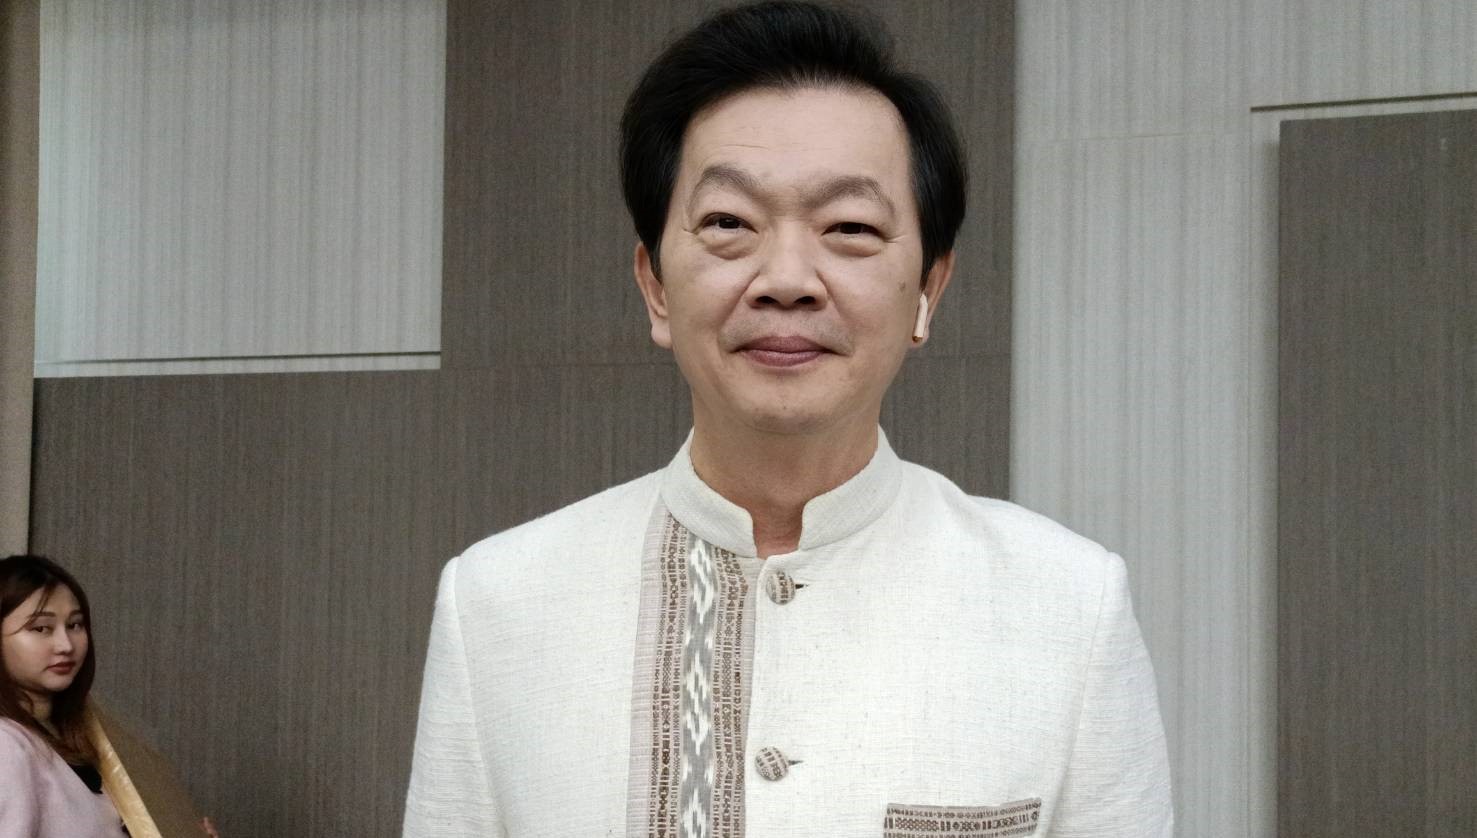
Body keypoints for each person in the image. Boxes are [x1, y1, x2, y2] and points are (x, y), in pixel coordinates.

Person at [403, 2, 1173, 836]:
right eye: (728, 223)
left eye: (850, 227)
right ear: (654, 285)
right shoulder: (498, 605)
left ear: (928, 290)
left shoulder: (1066, 605)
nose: (787, 280)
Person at [0, 555, 221, 838]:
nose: (65, 645)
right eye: (41, 628)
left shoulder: (83, 734)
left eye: (75, 625)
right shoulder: (7, 746)